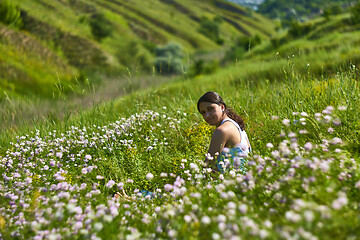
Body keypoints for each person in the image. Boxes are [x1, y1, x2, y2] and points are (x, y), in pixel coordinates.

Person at [197, 91, 251, 173]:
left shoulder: (222, 131)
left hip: (235, 182)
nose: (207, 115)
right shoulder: (234, 124)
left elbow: (208, 167)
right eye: (203, 112)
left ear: (222, 107)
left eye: (210, 109)